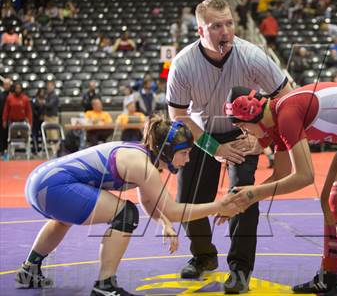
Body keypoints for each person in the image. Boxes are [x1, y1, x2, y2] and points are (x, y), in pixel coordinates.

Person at [15, 115, 240, 296]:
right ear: (167, 150)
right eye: (184, 153)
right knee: (125, 214)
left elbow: (147, 201)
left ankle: (29, 269)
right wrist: (218, 206)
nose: (188, 159)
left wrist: (163, 223)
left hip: (41, 182)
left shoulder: (141, 158)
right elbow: (172, 210)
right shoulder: (143, 166)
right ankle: (104, 285)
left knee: (63, 220)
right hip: (53, 185)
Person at [223, 82, 337, 296]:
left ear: (251, 115)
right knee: (328, 201)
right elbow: (281, 175)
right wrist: (242, 199)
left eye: (242, 126)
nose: (244, 132)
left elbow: (305, 176)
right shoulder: (276, 121)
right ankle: (330, 276)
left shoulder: (286, 115)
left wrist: (251, 194)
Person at [166, 0, 290, 293]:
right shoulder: (183, 64)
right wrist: (214, 148)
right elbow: (178, 116)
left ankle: (240, 269)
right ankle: (204, 256)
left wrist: (263, 138)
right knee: (188, 201)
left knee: (244, 194)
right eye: (216, 26)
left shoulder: (253, 55)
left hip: (243, 133)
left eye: (230, 24)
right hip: (200, 133)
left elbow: (287, 98)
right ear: (200, 31)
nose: (226, 31)